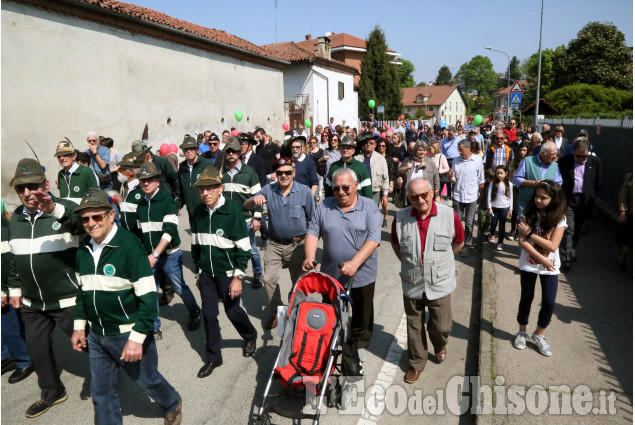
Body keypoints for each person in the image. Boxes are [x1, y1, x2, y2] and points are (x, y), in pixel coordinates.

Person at [70, 188, 182, 425]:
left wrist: (137, 337)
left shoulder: (129, 246)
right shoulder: (83, 249)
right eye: (85, 219)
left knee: (147, 380)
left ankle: (172, 402)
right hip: (97, 335)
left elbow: (149, 298)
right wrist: (80, 327)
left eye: (96, 216)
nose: (91, 223)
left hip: (127, 333)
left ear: (111, 215)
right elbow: (83, 292)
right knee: (101, 395)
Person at [7, 159, 85, 418]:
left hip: (68, 299)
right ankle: (52, 392)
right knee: (37, 350)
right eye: (21, 189)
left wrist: (53, 209)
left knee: (92, 346)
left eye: (32, 186)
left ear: (46, 185)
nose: (27, 193)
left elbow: (82, 226)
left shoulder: (65, 208)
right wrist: (14, 288)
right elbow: (13, 256)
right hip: (33, 304)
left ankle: (113, 374)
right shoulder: (16, 218)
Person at [390, 178, 464, 383]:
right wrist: (413, 264)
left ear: (432, 193)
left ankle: (439, 344)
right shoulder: (401, 217)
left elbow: (459, 241)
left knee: (440, 327)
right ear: (408, 198)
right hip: (412, 281)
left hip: (440, 282)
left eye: (424, 195)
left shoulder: (449, 215)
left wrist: (441, 263)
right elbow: (396, 245)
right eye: (414, 197)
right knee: (414, 325)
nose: (420, 200)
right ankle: (416, 362)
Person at [303, 168, 382, 361]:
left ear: (355, 186)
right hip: (332, 274)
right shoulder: (324, 207)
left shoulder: (369, 207)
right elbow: (313, 232)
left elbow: (373, 239)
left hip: (362, 273)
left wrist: (354, 263)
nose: (341, 192)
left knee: (362, 312)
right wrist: (309, 256)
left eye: (345, 187)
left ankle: (359, 344)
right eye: (336, 188)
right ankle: (331, 338)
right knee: (331, 309)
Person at [191, 166, 258, 378]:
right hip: (207, 274)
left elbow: (244, 248)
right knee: (209, 314)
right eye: (201, 189)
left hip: (228, 273)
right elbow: (196, 246)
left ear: (220, 188)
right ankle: (213, 357)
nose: (205, 193)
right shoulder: (198, 212)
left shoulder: (233, 210)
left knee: (232, 311)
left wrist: (238, 278)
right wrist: (198, 274)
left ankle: (249, 335)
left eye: (210, 188)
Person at [245, 158, 314, 329]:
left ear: (294, 173)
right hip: (274, 244)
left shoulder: (304, 192)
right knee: (268, 279)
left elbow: (314, 221)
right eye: (280, 173)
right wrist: (255, 200)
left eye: (287, 172)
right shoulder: (269, 189)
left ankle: (297, 312)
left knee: (299, 282)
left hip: (297, 245)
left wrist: (310, 249)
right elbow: (246, 205)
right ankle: (277, 312)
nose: (284, 175)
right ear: (275, 174)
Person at [136, 162, 202, 340]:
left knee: (179, 287)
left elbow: (169, 232)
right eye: (143, 180)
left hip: (169, 255)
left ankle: (195, 311)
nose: (146, 183)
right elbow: (140, 233)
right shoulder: (141, 205)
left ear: (157, 181)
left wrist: (155, 254)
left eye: (150, 180)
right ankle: (155, 327)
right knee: (151, 292)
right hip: (149, 257)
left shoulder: (167, 202)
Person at [513, 180, 567, 357]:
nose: (538, 200)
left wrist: (530, 234)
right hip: (530, 264)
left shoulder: (560, 218)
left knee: (549, 302)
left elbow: (552, 246)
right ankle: (522, 331)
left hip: (550, 267)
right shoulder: (528, 213)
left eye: (543, 198)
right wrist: (542, 258)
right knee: (526, 297)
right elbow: (521, 242)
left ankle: (539, 334)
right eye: (537, 195)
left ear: (553, 199)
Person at [221, 136, 264, 288]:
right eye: (228, 151)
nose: (231, 153)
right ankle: (233, 275)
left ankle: (258, 273)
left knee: (250, 248)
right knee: (231, 248)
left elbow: (258, 196)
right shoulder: (222, 173)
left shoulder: (249, 172)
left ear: (240, 152)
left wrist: (257, 217)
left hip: (246, 219)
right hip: (228, 219)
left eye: (234, 151)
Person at [557, 137, 603, 271]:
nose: (581, 159)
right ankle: (566, 258)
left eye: (584, 156)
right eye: (578, 156)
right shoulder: (565, 161)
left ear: (588, 152)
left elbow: (599, 183)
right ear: (573, 151)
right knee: (569, 228)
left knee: (578, 229)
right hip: (569, 199)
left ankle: (570, 251)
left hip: (585, 200)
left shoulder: (596, 162)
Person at [1, 203, 34, 385]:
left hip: (4, 286)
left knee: (9, 323)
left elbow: (5, 262)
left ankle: (23, 360)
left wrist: (3, 289)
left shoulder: (3, 230)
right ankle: (6, 355)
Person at [448, 140, 484, 257]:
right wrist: (450, 177)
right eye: (459, 149)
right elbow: (453, 180)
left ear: (468, 148)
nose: (459, 152)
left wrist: (481, 195)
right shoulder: (456, 160)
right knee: (457, 221)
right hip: (458, 195)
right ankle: (458, 242)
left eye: (461, 149)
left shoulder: (478, 161)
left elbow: (481, 180)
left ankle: (468, 244)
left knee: (469, 222)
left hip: (472, 196)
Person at [512, 142, 563, 214]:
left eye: (556, 154)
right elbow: (516, 179)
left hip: (546, 207)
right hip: (527, 204)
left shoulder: (555, 165)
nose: (555, 157)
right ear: (542, 153)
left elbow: (558, 183)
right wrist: (533, 183)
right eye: (552, 154)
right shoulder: (527, 161)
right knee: (525, 224)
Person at [175, 136, 213, 225]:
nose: (188, 151)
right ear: (183, 152)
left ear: (196, 150)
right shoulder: (182, 167)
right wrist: (178, 206)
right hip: (191, 212)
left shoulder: (207, 165)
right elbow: (180, 189)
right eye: (186, 149)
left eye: (191, 148)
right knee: (195, 237)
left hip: (207, 212)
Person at [54, 140, 98, 205]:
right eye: (59, 156)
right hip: (66, 213)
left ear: (74, 156)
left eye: (65, 155)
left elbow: (95, 195)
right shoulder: (61, 174)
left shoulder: (86, 171)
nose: (62, 158)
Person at [354, 132, 389, 209]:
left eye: (371, 143)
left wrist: (385, 195)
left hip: (375, 192)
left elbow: (385, 178)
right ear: (363, 145)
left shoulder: (381, 159)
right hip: (359, 192)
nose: (368, 144)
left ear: (375, 145)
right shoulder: (356, 158)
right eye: (366, 143)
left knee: (372, 213)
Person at [115, 153, 144, 238]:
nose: (118, 170)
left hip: (139, 235)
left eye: (122, 169)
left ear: (131, 172)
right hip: (126, 233)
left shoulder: (142, 189)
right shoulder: (123, 186)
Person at [506, 141, 531, 240]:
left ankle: (518, 231)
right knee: (515, 211)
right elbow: (510, 176)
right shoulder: (513, 161)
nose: (522, 152)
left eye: (524, 150)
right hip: (515, 188)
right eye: (520, 150)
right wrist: (509, 188)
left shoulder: (530, 162)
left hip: (526, 188)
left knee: (523, 212)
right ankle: (512, 229)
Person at [487, 166, 513, 251]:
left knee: (502, 226)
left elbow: (511, 197)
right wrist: (489, 207)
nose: (499, 175)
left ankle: (500, 242)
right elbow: (489, 196)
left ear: (506, 173)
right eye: (497, 173)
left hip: (504, 208)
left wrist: (510, 209)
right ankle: (492, 234)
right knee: (493, 223)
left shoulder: (509, 184)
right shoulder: (492, 183)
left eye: (501, 173)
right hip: (495, 207)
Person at [375, 138, 396, 227]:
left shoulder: (389, 159)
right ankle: (375, 219)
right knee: (375, 203)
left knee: (384, 202)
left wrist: (391, 185)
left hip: (385, 183)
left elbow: (391, 174)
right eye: (379, 145)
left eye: (383, 146)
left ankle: (385, 218)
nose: (381, 147)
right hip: (376, 182)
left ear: (386, 147)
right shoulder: (374, 157)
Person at [440, 126, 461, 199]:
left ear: (455, 133)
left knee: (455, 177)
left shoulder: (459, 140)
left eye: (451, 133)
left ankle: (454, 193)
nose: (449, 134)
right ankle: (449, 194)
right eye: (448, 133)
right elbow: (441, 151)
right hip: (447, 160)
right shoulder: (443, 141)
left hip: (456, 160)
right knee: (448, 178)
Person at [617, 173, 633, 270]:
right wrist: (622, 212)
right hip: (632, 214)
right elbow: (623, 195)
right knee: (629, 242)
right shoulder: (630, 177)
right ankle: (622, 257)